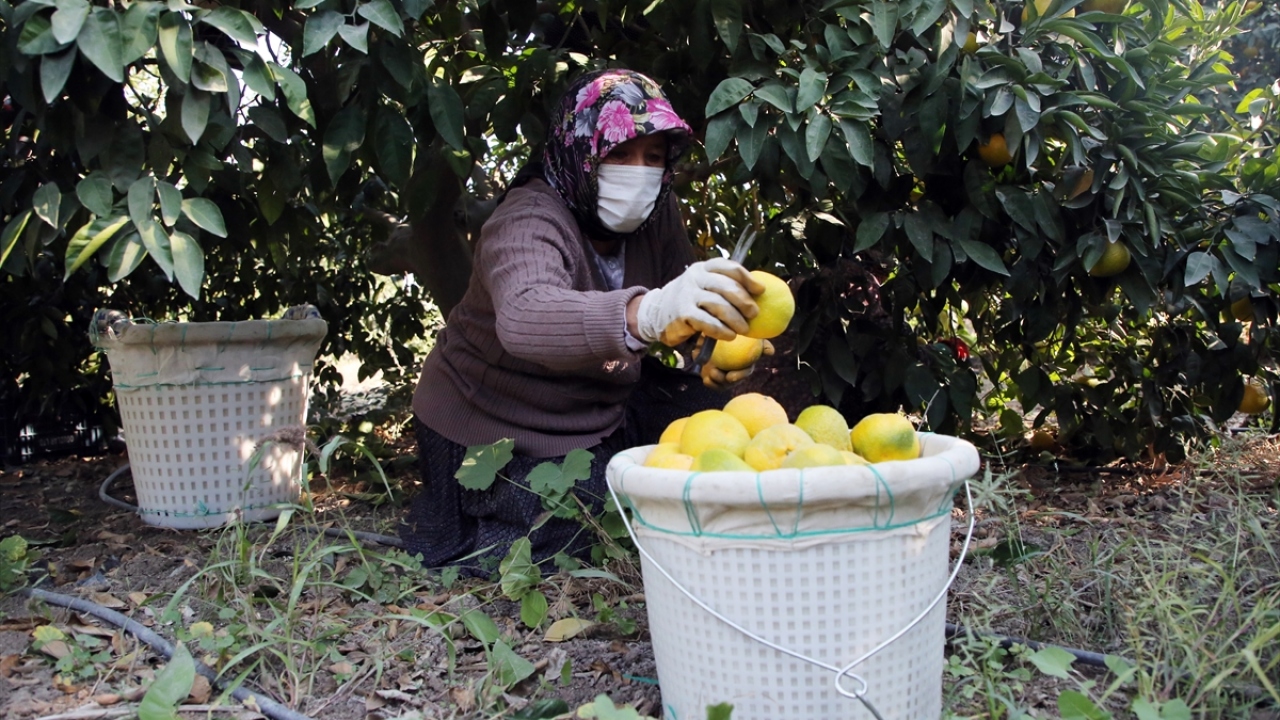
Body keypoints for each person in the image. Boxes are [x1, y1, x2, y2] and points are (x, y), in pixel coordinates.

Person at [399, 68, 768, 573]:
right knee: (592, 515)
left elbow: (679, 307)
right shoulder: (526, 219)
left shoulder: (657, 214)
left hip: (599, 398)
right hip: (498, 421)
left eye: (653, 158)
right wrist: (648, 312)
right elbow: (525, 315)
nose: (639, 173)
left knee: (725, 429)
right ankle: (483, 529)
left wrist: (709, 345)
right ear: (581, 151)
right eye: (620, 154)